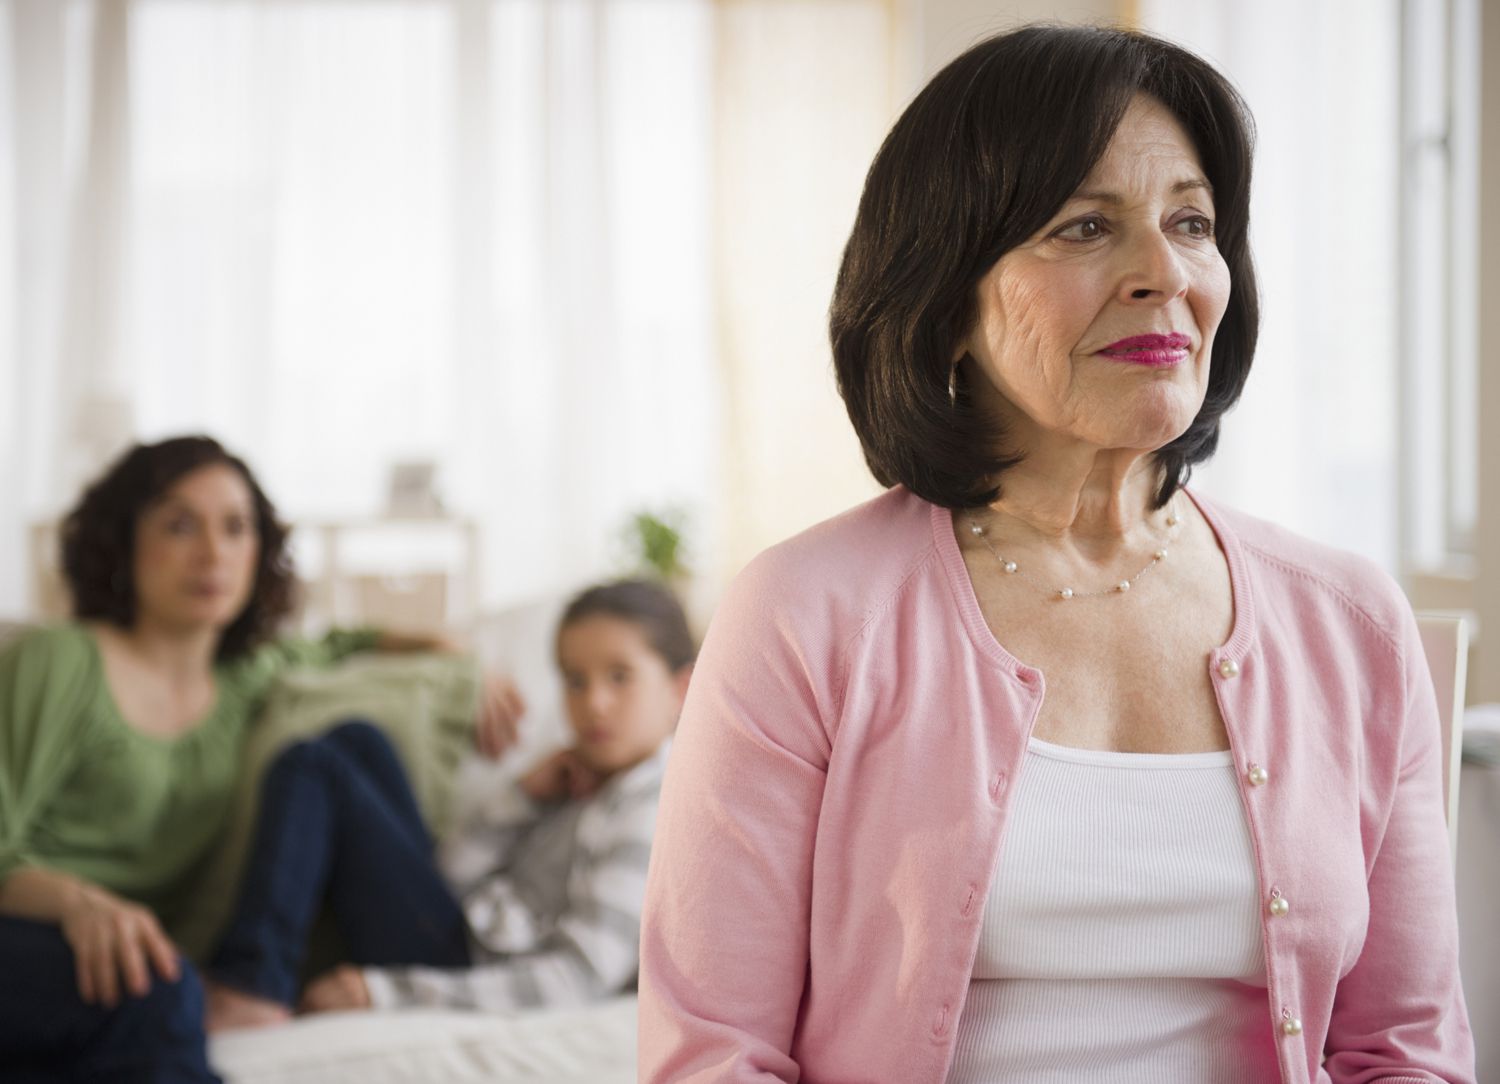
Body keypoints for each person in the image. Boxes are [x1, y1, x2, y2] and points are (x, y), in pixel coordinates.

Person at [637, 25, 1475, 1084]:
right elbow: (716, 1055)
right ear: (943, 302)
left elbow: (1405, 1050)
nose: (1161, 273)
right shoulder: (803, 614)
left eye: (1191, 221)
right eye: (1085, 226)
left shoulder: (1351, 621)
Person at [0, 435, 521, 1083]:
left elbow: (340, 643)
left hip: (138, 964)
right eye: (179, 525)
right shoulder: (60, 662)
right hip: (36, 929)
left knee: (346, 745)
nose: (213, 553)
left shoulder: (250, 677)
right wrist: (78, 904)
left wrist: (451, 649)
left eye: (236, 528)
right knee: (157, 995)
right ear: (124, 539)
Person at [204, 577, 693, 1026]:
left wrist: (382, 992)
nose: (594, 705)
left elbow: (575, 980)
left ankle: (251, 982)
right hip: (456, 925)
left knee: (310, 765)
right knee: (359, 740)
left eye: (620, 677)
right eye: (575, 680)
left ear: (681, 688)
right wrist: (523, 796)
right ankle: (254, 975)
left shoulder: (649, 810)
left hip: (467, 966)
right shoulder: (582, 780)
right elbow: (450, 875)